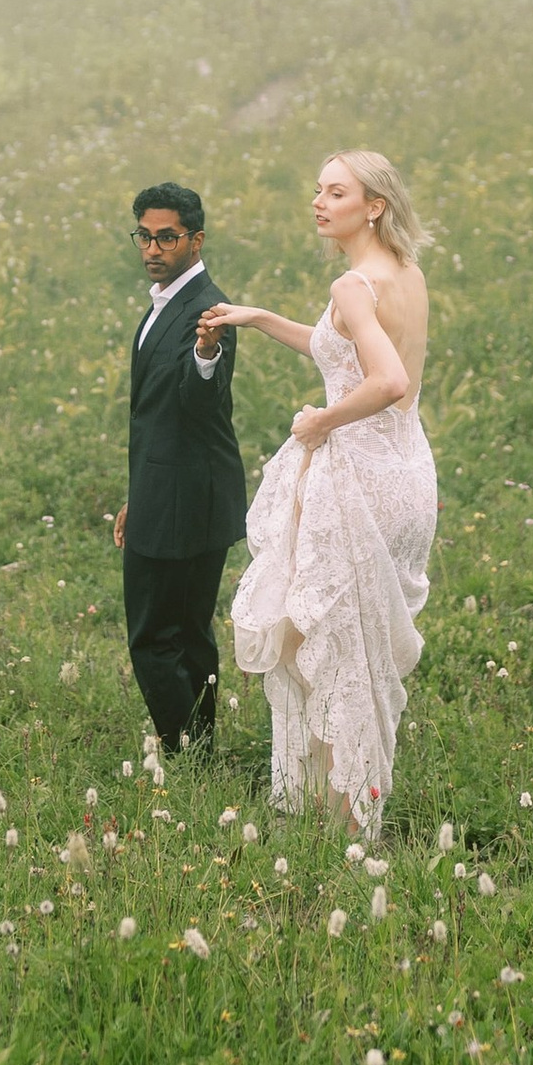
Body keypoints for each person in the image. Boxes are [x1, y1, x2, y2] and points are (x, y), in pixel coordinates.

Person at [197, 149, 437, 831]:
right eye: (318, 190)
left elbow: (384, 380)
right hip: (406, 470)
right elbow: (345, 352)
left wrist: (318, 421)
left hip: (357, 474)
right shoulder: (403, 274)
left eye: (336, 191)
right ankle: (349, 799)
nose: (319, 201)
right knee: (346, 639)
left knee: (322, 643)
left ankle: (344, 817)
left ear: (374, 205)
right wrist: (262, 317)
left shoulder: (353, 286)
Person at [113, 182, 247, 762]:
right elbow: (157, 421)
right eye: (144, 235)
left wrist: (207, 354)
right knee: (191, 634)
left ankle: (185, 754)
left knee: (154, 636)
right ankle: (200, 750)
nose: (152, 248)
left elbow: (202, 402)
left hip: (182, 500)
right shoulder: (164, 303)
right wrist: (134, 498)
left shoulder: (208, 312)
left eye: (166, 237)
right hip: (181, 493)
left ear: (195, 239)